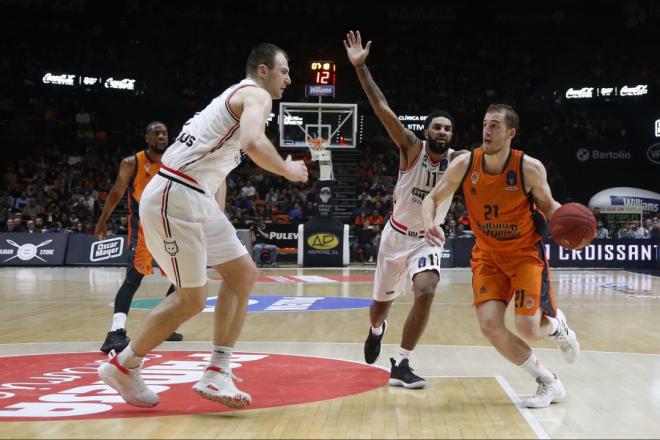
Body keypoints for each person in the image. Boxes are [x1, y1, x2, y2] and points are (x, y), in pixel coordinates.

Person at [98, 43, 308, 409]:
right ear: (262, 70)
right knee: (191, 299)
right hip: (174, 195)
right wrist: (287, 169)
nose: (288, 78)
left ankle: (218, 371)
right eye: (284, 70)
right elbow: (254, 143)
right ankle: (124, 364)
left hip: (197, 197)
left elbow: (221, 166)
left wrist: (217, 217)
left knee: (242, 273)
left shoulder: (232, 100)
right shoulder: (256, 95)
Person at [421, 104, 580, 408]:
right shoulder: (465, 164)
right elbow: (432, 198)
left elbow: (548, 206)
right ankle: (548, 382)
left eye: (495, 125)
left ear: (511, 133)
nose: (487, 131)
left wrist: (570, 228)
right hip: (487, 257)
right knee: (490, 326)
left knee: (528, 328)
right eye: (484, 124)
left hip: (524, 255)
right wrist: (430, 222)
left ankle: (558, 326)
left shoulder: (528, 168)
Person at [344, 30, 467, 388]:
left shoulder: (460, 162)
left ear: (451, 134)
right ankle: (376, 328)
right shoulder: (411, 148)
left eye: (448, 128)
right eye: (437, 127)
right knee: (380, 308)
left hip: (427, 240)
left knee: (426, 290)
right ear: (427, 131)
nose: (442, 132)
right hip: (394, 237)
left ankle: (401, 363)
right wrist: (361, 68)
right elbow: (381, 109)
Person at [95, 121, 182, 354]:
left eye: (164, 132)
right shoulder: (131, 163)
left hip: (169, 228)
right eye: (156, 133)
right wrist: (102, 221)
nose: (161, 136)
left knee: (183, 278)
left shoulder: (176, 159)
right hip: (143, 229)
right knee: (133, 279)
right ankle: (115, 333)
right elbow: (115, 193)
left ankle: (164, 325)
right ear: (147, 138)